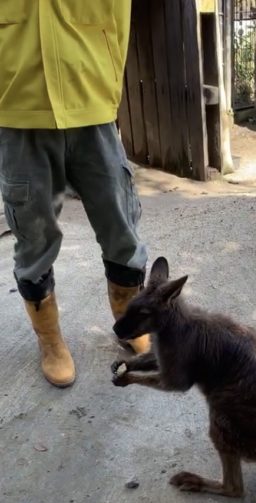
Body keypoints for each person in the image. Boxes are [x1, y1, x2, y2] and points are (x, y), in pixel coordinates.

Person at [0, 1, 150, 388]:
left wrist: (107, 84)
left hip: (92, 97)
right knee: (33, 238)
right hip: (19, 108)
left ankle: (128, 318)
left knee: (122, 226)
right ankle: (50, 340)